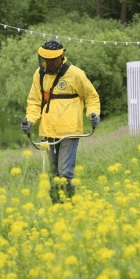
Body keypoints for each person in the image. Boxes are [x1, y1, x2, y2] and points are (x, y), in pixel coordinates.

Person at [21, 39, 101, 204]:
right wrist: (30, 121)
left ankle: (70, 205)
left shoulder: (76, 74)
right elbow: (35, 102)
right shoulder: (40, 74)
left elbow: (91, 97)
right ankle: (57, 206)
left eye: (51, 60)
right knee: (53, 174)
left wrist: (93, 114)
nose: (47, 63)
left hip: (69, 132)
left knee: (65, 173)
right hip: (48, 132)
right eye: (45, 59)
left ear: (61, 56)